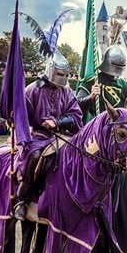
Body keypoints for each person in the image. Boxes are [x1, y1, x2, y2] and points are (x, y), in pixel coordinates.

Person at [13, 51, 84, 221]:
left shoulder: (67, 91)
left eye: (65, 75)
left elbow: (76, 115)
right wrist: (14, 114)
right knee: (36, 156)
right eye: (59, 74)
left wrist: (57, 122)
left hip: (61, 135)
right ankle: (22, 200)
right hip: (38, 135)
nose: (62, 78)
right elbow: (21, 116)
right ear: (50, 70)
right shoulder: (32, 90)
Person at [75, 45, 127, 126]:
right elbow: (76, 106)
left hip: (119, 128)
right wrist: (91, 98)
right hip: (97, 127)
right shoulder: (92, 81)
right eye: (115, 65)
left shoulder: (124, 84)